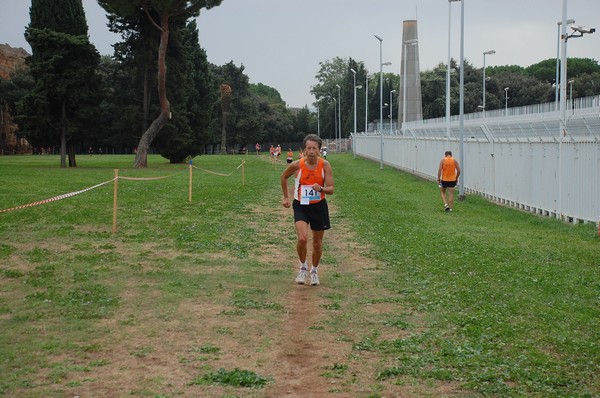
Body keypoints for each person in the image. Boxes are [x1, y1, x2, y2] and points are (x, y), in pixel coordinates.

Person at [281, 134, 334, 286]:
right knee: (303, 238)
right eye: (308, 148)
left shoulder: (325, 165)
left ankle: (314, 271)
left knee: (317, 243)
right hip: (301, 205)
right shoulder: (297, 164)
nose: (311, 151)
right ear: (304, 150)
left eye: (314, 148)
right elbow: (283, 177)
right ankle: (303, 267)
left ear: (319, 150)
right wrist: (286, 197)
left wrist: (322, 188)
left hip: (319, 206)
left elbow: (331, 189)